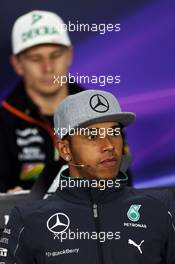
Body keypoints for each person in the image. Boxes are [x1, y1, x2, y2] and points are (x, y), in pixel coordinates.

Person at [0, 89, 174, 263]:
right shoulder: (26, 220)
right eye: (92, 136)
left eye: (114, 132)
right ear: (65, 150)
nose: (108, 145)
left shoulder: (163, 208)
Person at [0, 10, 83, 192]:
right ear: (17, 64)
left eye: (55, 55)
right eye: (35, 58)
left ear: (69, 55)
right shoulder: (4, 121)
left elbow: (124, 185)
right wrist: (8, 200)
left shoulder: (100, 111)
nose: (48, 68)